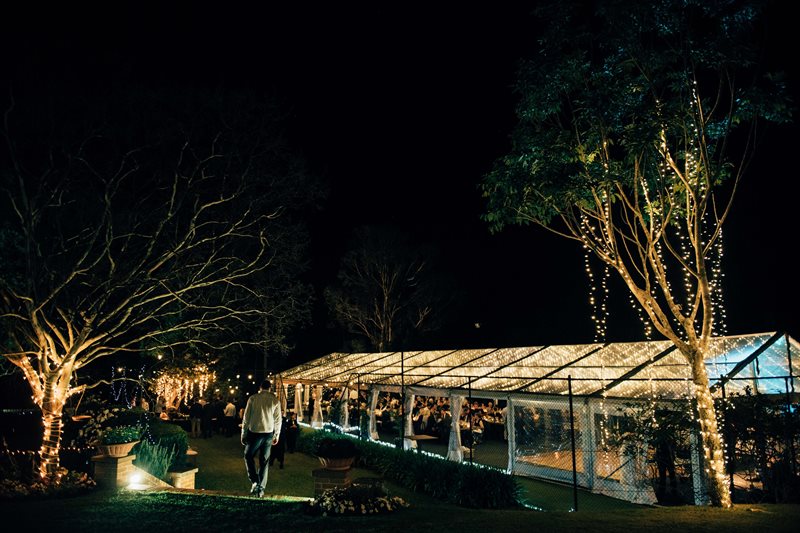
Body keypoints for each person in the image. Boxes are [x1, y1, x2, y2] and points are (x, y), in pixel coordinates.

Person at [241, 379, 282, 498]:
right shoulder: (275, 400)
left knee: (248, 455)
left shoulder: (253, 398)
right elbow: (278, 420)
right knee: (264, 461)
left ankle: (255, 482)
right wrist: (277, 435)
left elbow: (246, 417)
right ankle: (261, 488)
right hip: (268, 433)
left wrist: (243, 434)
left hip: (255, 432)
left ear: (260, 387)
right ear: (270, 388)